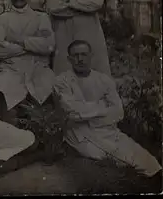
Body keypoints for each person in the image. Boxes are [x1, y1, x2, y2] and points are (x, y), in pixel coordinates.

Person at [54, 40, 162, 177]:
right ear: (69, 59)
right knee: (115, 158)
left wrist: (86, 112)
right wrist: (102, 107)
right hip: (79, 133)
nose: (80, 59)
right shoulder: (62, 81)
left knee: (146, 159)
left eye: (84, 54)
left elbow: (118, 113)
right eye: (75, 55)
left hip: (108, 130)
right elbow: (73, 112)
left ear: (91, 56)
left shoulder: (103, 80)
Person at [0, 0, 55, 122]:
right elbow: (0, 50)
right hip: (11, 70)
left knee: (46, 105)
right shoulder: (1, 20)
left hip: (38, 68)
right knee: (6, 93)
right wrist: (33, 46)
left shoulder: (41, 17)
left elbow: (49, 46)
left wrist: (19, 41)